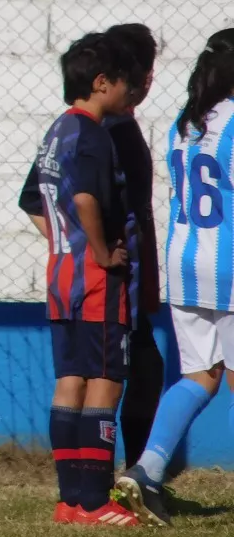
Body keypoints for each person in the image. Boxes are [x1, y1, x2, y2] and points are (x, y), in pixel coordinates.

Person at [18, 32, 139, 527]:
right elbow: (87, 198)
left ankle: (69, 501)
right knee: (105, 382)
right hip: (95, 282)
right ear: (102, 82)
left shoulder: (58, 131)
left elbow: (31, 201)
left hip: (61, 276)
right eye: (127, 82)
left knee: (70, 380)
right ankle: (94, 501)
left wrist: (65, 241)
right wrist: (100, 251)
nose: (133, 92)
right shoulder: (92, 135)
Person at [118, 29, 234, 527]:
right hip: (229, 263)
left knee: (200, 375)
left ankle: (145, 472)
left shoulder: (184, 124)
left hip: (186, 264)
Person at [102, 23, 164, 470]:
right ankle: (110, 475)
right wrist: (95, 252)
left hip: (133, 275)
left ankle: (132, 473)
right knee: (116, 375)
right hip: (114, 278)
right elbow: (39, 199)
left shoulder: (119, 125)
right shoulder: (101, 132)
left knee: (144, 366)